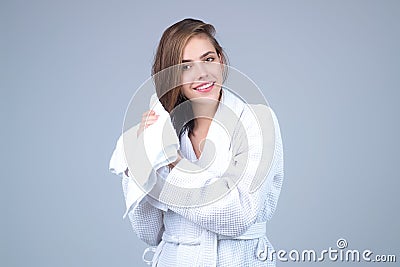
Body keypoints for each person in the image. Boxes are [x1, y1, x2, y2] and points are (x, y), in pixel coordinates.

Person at [109, 18, 284, 266]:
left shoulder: (257, 121)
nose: (202, 73)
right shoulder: (164, 129)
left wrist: (172, 163)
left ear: (221, 61)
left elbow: (239, 214)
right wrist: (137, 163)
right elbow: (150, 232)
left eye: (208, 59)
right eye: (185, 66)